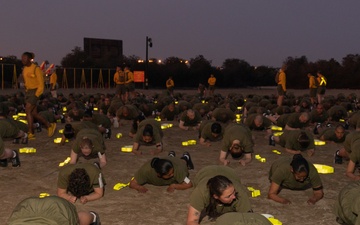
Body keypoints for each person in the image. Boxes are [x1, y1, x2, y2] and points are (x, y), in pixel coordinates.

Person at [186, 165, 252, 225]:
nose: (234, 196)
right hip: (204, 173)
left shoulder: (239, 191)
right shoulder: (200, 192)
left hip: (229, 172)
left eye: (233, 192)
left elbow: (249, 219)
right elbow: (191, 222)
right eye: (228, 196)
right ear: (216, 196)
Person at [21, 52, 57, 139]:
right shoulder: (24, 69)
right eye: (22, 58)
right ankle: (49, 125)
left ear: (30, 59)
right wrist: (26, 91)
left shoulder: (36, 69)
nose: (23, 60)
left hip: (35, 92)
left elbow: (41, 84)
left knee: (27, 111)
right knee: (34, 113)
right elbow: (26, 82)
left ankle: (31, 132)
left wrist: (37, 95)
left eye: (25, 58)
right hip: (28, 92)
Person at [7, 196, 100, 225]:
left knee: (77, 219)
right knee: (74, 218)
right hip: (27, 207)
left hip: (57, 210)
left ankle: (93, 217)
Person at [129, 151, 194, 193]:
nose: (172, 174)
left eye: (172, 172)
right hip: (167, 161)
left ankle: (185, 157)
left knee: (182, 162)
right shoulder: (146, 170)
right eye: (169, 174)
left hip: (178, 163)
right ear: (159, 175)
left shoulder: (177, 169)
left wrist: (174, 186)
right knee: (170, 159)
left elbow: (189, 184)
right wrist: (139, 187)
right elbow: (132, 183)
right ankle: (170, 156)